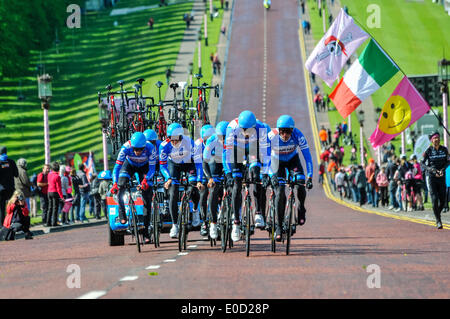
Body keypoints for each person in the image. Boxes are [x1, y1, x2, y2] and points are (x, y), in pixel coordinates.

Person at [224, 111, 271, 241]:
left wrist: (265, 173)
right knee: (237, 183)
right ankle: (236, 223)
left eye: (248, 129)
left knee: (257, 176)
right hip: (236, 150)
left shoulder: (260, 128)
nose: (245, 132)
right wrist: (228, 172)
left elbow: (266, 152)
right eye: (243, 129)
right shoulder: (231, 127)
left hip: (253, 149)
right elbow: (226, 153)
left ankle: (258, 213)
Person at [268, 115, 313, 242]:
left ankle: (301, 208)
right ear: (279, 130)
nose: (285, 134)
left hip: (293, 160)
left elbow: (308, 157)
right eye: (282, 131)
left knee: (300, 184)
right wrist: (270, 175)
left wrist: (309, 176)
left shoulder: (298, 135)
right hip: (276, 162)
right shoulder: (271, 136)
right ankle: (278, 226)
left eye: (288, 131)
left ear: (292, 131)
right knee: (280, 192)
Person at [110, 132, 156, 243]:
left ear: (145, 146)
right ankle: (122, 213)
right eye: (135, 149)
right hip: (129, 165)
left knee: (147, 197)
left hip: (144, 167)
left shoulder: (150, 148)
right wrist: (115, 183)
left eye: (140, 149)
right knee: (121, 186)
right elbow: (117, 168)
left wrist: (145, 181)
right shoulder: (125, 147)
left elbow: (152, 169)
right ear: (132, 146)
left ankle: (145, 232)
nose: (138, 152)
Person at [159, 123, 204, 238]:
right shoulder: (164, 146)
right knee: (173, 193)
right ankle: (174, 225)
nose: (174, 142)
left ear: (181, 137)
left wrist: (199, 180)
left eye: (176, 139)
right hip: (174, 165)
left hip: (189, 164)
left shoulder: (190, 143)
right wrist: (168, 178)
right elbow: (163, 166)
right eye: (171, 139)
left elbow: (198, 163)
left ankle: (195, 210)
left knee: (194, 188)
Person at [203, 121, 228, 240]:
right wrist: (210, 178)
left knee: (235, 187)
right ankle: (212, 223)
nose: (222, 139)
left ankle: (235, 217)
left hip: (229, 163)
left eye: (225, 137)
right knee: (213, 191)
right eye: (220, 137)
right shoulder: (211, 141)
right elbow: (205, 161)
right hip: (214, 165)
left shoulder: (235, 140)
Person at [421, 132, 449, 229]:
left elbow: (448, 161)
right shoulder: (428, 151)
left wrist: (443, 169)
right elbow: (422, 164)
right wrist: (431, 170)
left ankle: (437, 214)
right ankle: (438, 220)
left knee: (443, 200)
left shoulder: (444, 150)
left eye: (438, 137)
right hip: (432, 177)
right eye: (434, 138)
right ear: (431, 140)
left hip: (441, 177)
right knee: (434, 199)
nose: (436, 139)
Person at [195, 124, 215, 237]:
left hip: (214, 169)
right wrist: (199, 180)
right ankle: (204, 222)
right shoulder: (198, 145)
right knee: (203, 194)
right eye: (206, 139)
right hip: (202, 171)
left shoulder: (216, 142)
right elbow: (198, 164)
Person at [0, 146, 18, 225]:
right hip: (10, 188)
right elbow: (16, 174)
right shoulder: (11, 162)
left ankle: (2, 225)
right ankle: (12, 223)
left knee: (1, 208)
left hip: (1, 189)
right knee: (12, 206)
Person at [47, 162, 64, 227]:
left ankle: (48, 222)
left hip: (49, 192)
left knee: (50, 208)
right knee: (55, 208)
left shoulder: (49, 174)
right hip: (54, 192)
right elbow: (58, 188)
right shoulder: (57, 176)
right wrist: (61, 196)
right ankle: (54, 223)